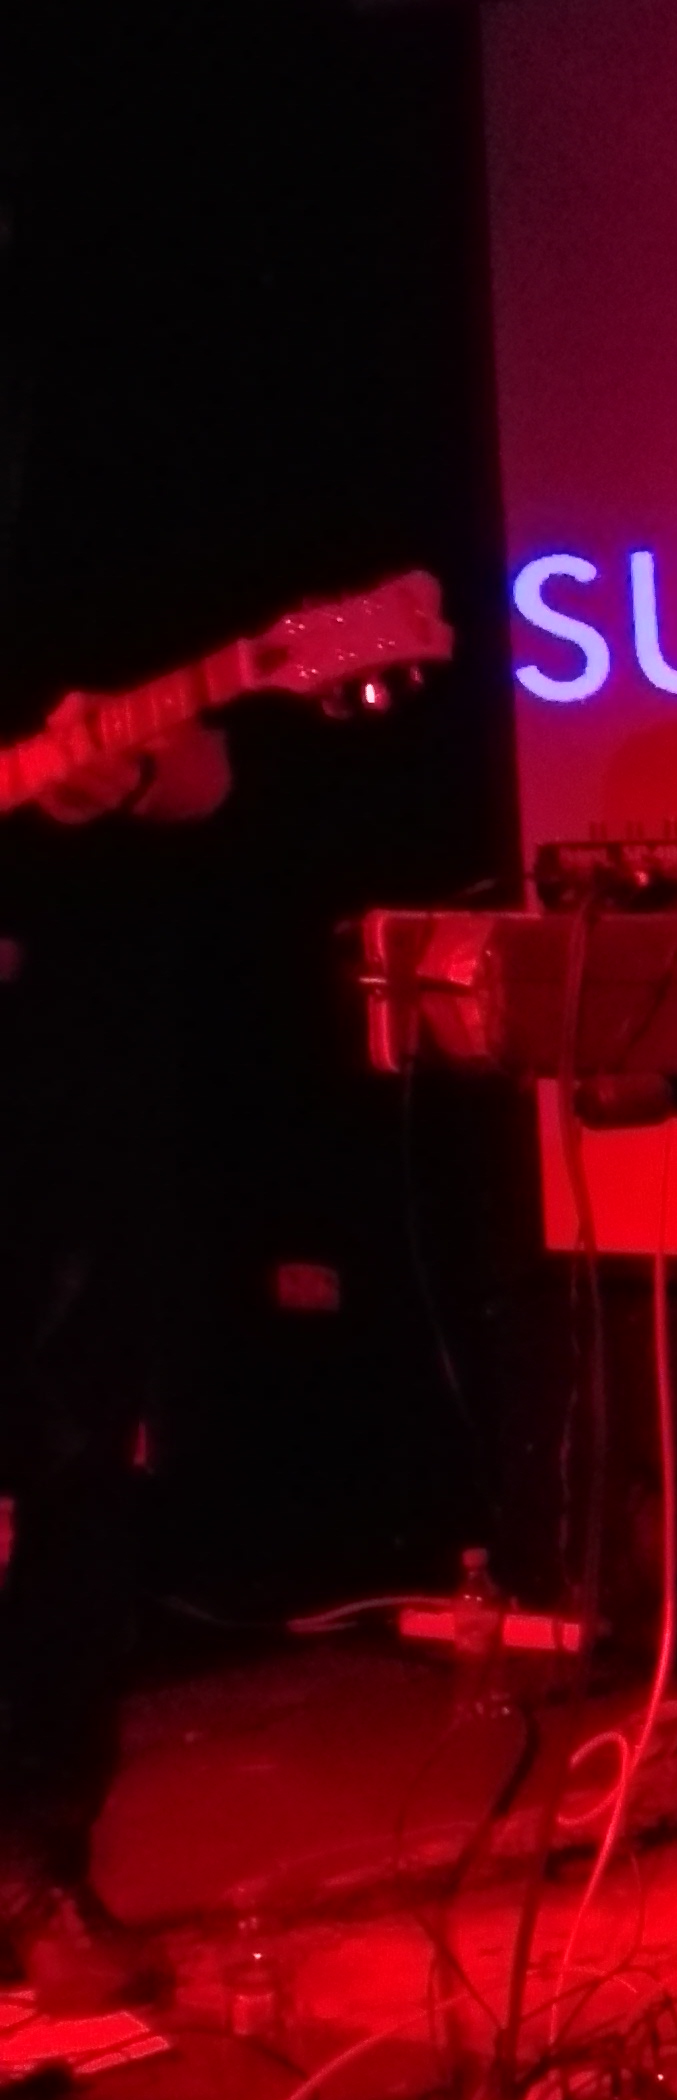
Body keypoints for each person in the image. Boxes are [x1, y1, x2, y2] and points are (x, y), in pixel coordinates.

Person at [0, 702, 229, 2007]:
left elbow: (211, 771)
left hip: (57, 1105)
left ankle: (39, 1872)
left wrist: (135, 768)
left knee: (74, 1476)